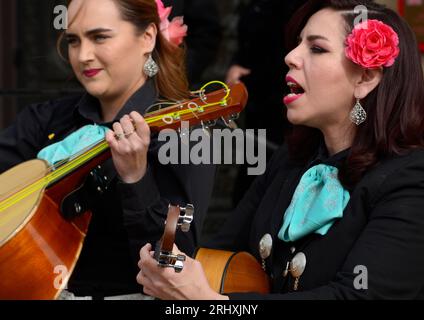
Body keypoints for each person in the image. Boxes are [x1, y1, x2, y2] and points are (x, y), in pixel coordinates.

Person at [137, 0, 424, 299]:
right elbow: (216, 257)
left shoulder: (410, 181)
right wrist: (136, 177)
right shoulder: (291, 160)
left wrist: (211, 304)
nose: (290, 57)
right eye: (297, 44)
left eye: (317, 48)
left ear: (365, 77)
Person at [0, 0, 215, 299]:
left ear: (148, 37)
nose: (83, 55)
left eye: (100, 37)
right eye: (74, 40)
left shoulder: (184, 135)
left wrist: (136, 178)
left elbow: (173, 264)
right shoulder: (44, 120)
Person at [226, 0, 307, 205]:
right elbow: (254, 32)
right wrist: (238, 63)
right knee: (255, 177)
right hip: (260, 102)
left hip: (291, 100)